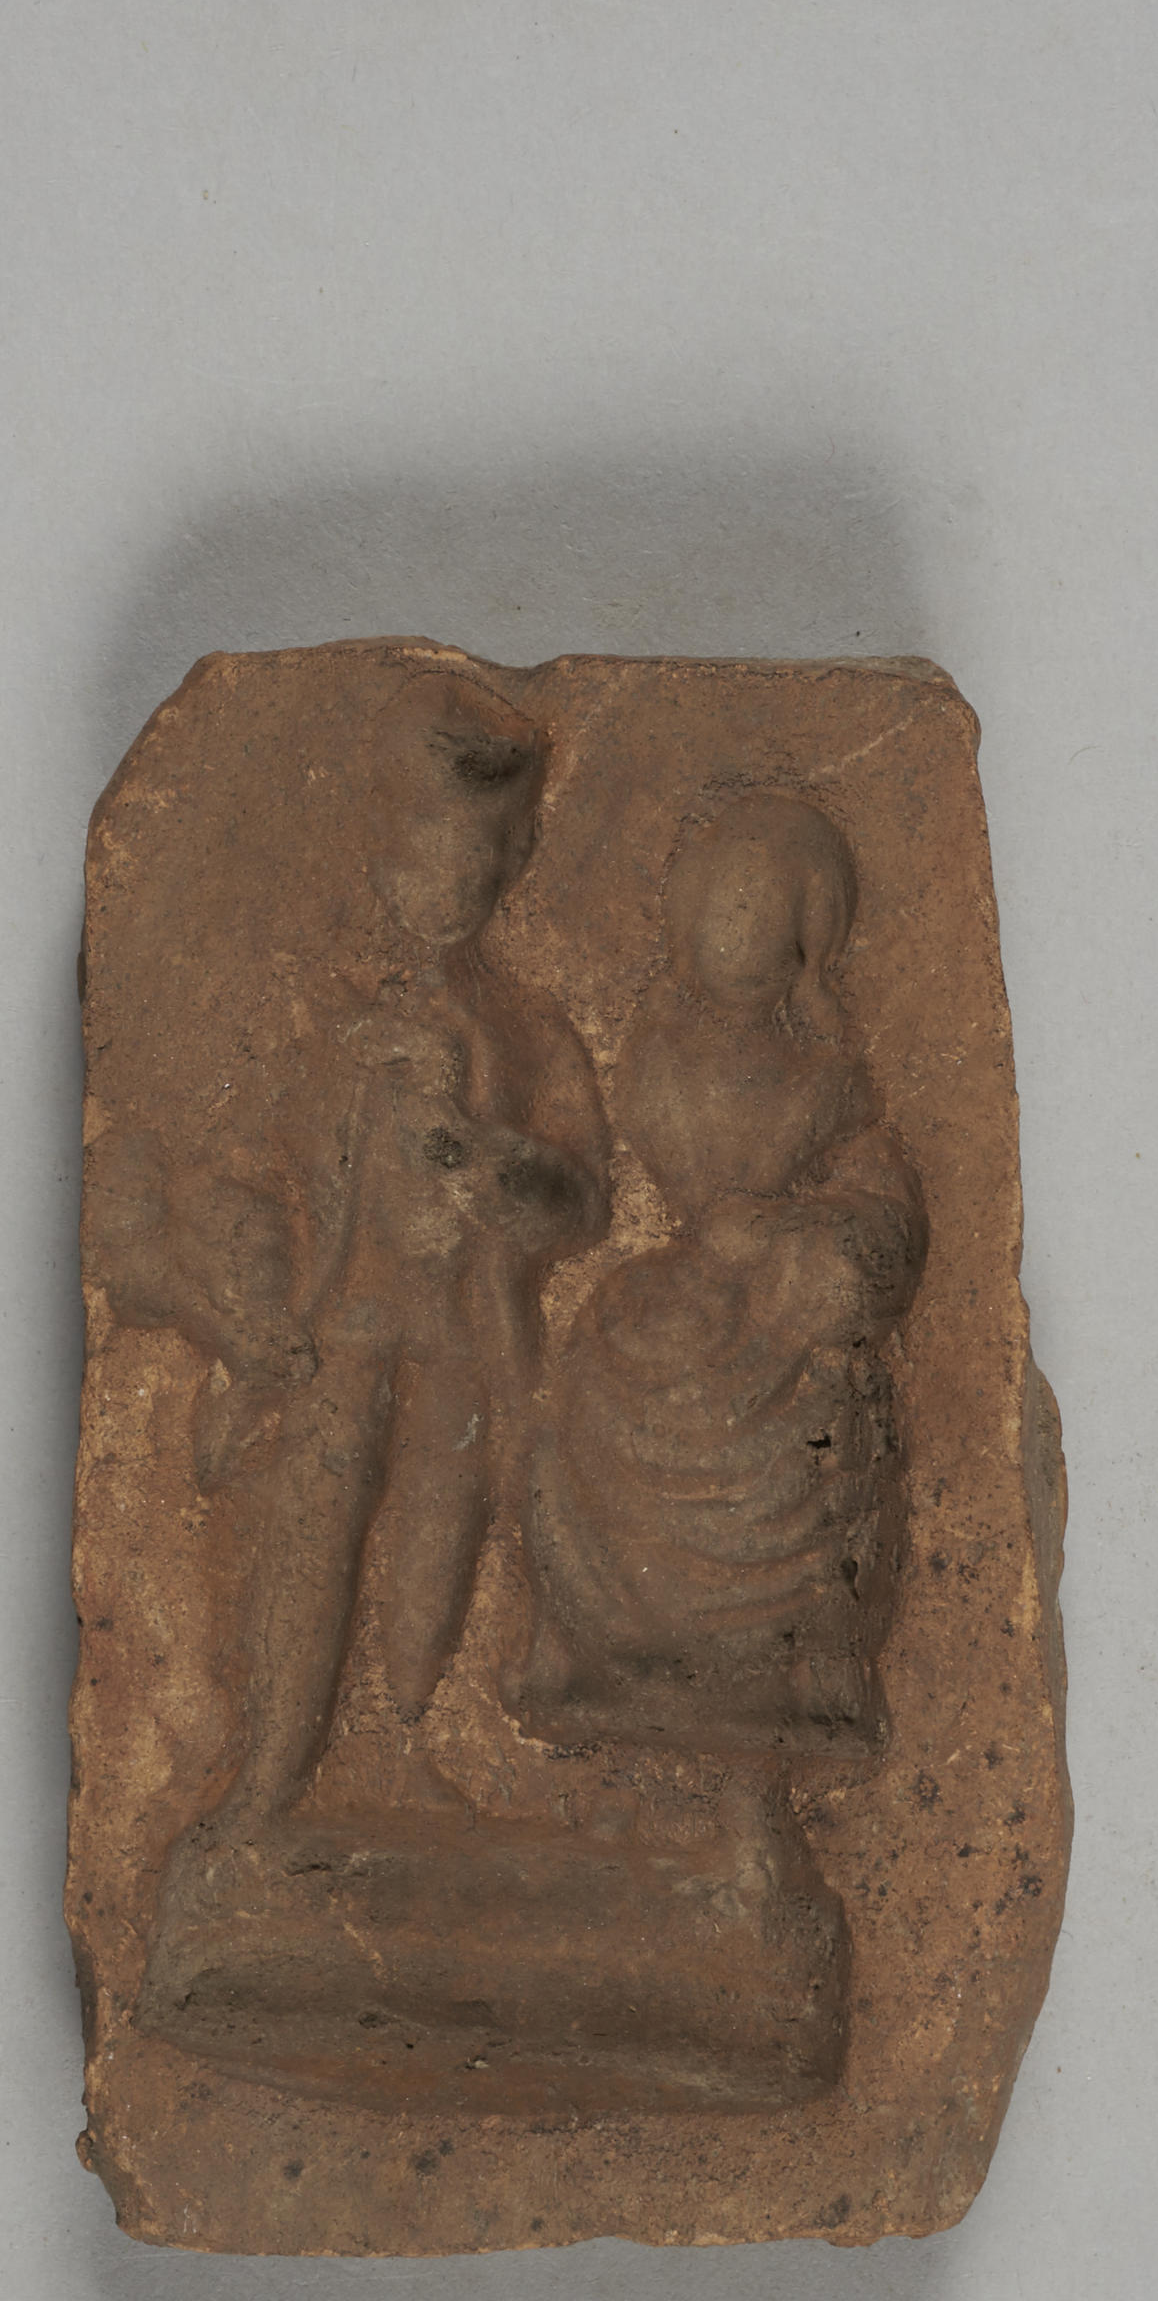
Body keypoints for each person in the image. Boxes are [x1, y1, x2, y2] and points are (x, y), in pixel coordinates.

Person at [203, 671, 608, 1820]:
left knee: (438, 1532)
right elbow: (255, 1169)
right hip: (346, 1327)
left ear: (512, 862)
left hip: (464, 1340)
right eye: (422, 856)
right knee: (314, 1536)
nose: (444, 887)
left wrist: (483, 1156)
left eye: (471, 863)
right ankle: (271, 1773)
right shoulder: (327, 1019)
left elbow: (582, 1204)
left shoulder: (529, 1034)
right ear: (379, 852)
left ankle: (400, 1739)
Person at [518, 788, 922, 1749]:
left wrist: (794, 1234)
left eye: (761, 902)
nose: (736, 926)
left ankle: (808, 1649)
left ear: (806, 934)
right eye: (723, 898)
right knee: (589, 1372)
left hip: (780, 1300)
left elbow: (880, 1201)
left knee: (825, 1402)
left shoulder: (827, 1078)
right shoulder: (654, 1056)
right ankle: (592, 1633)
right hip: (677, 1292)